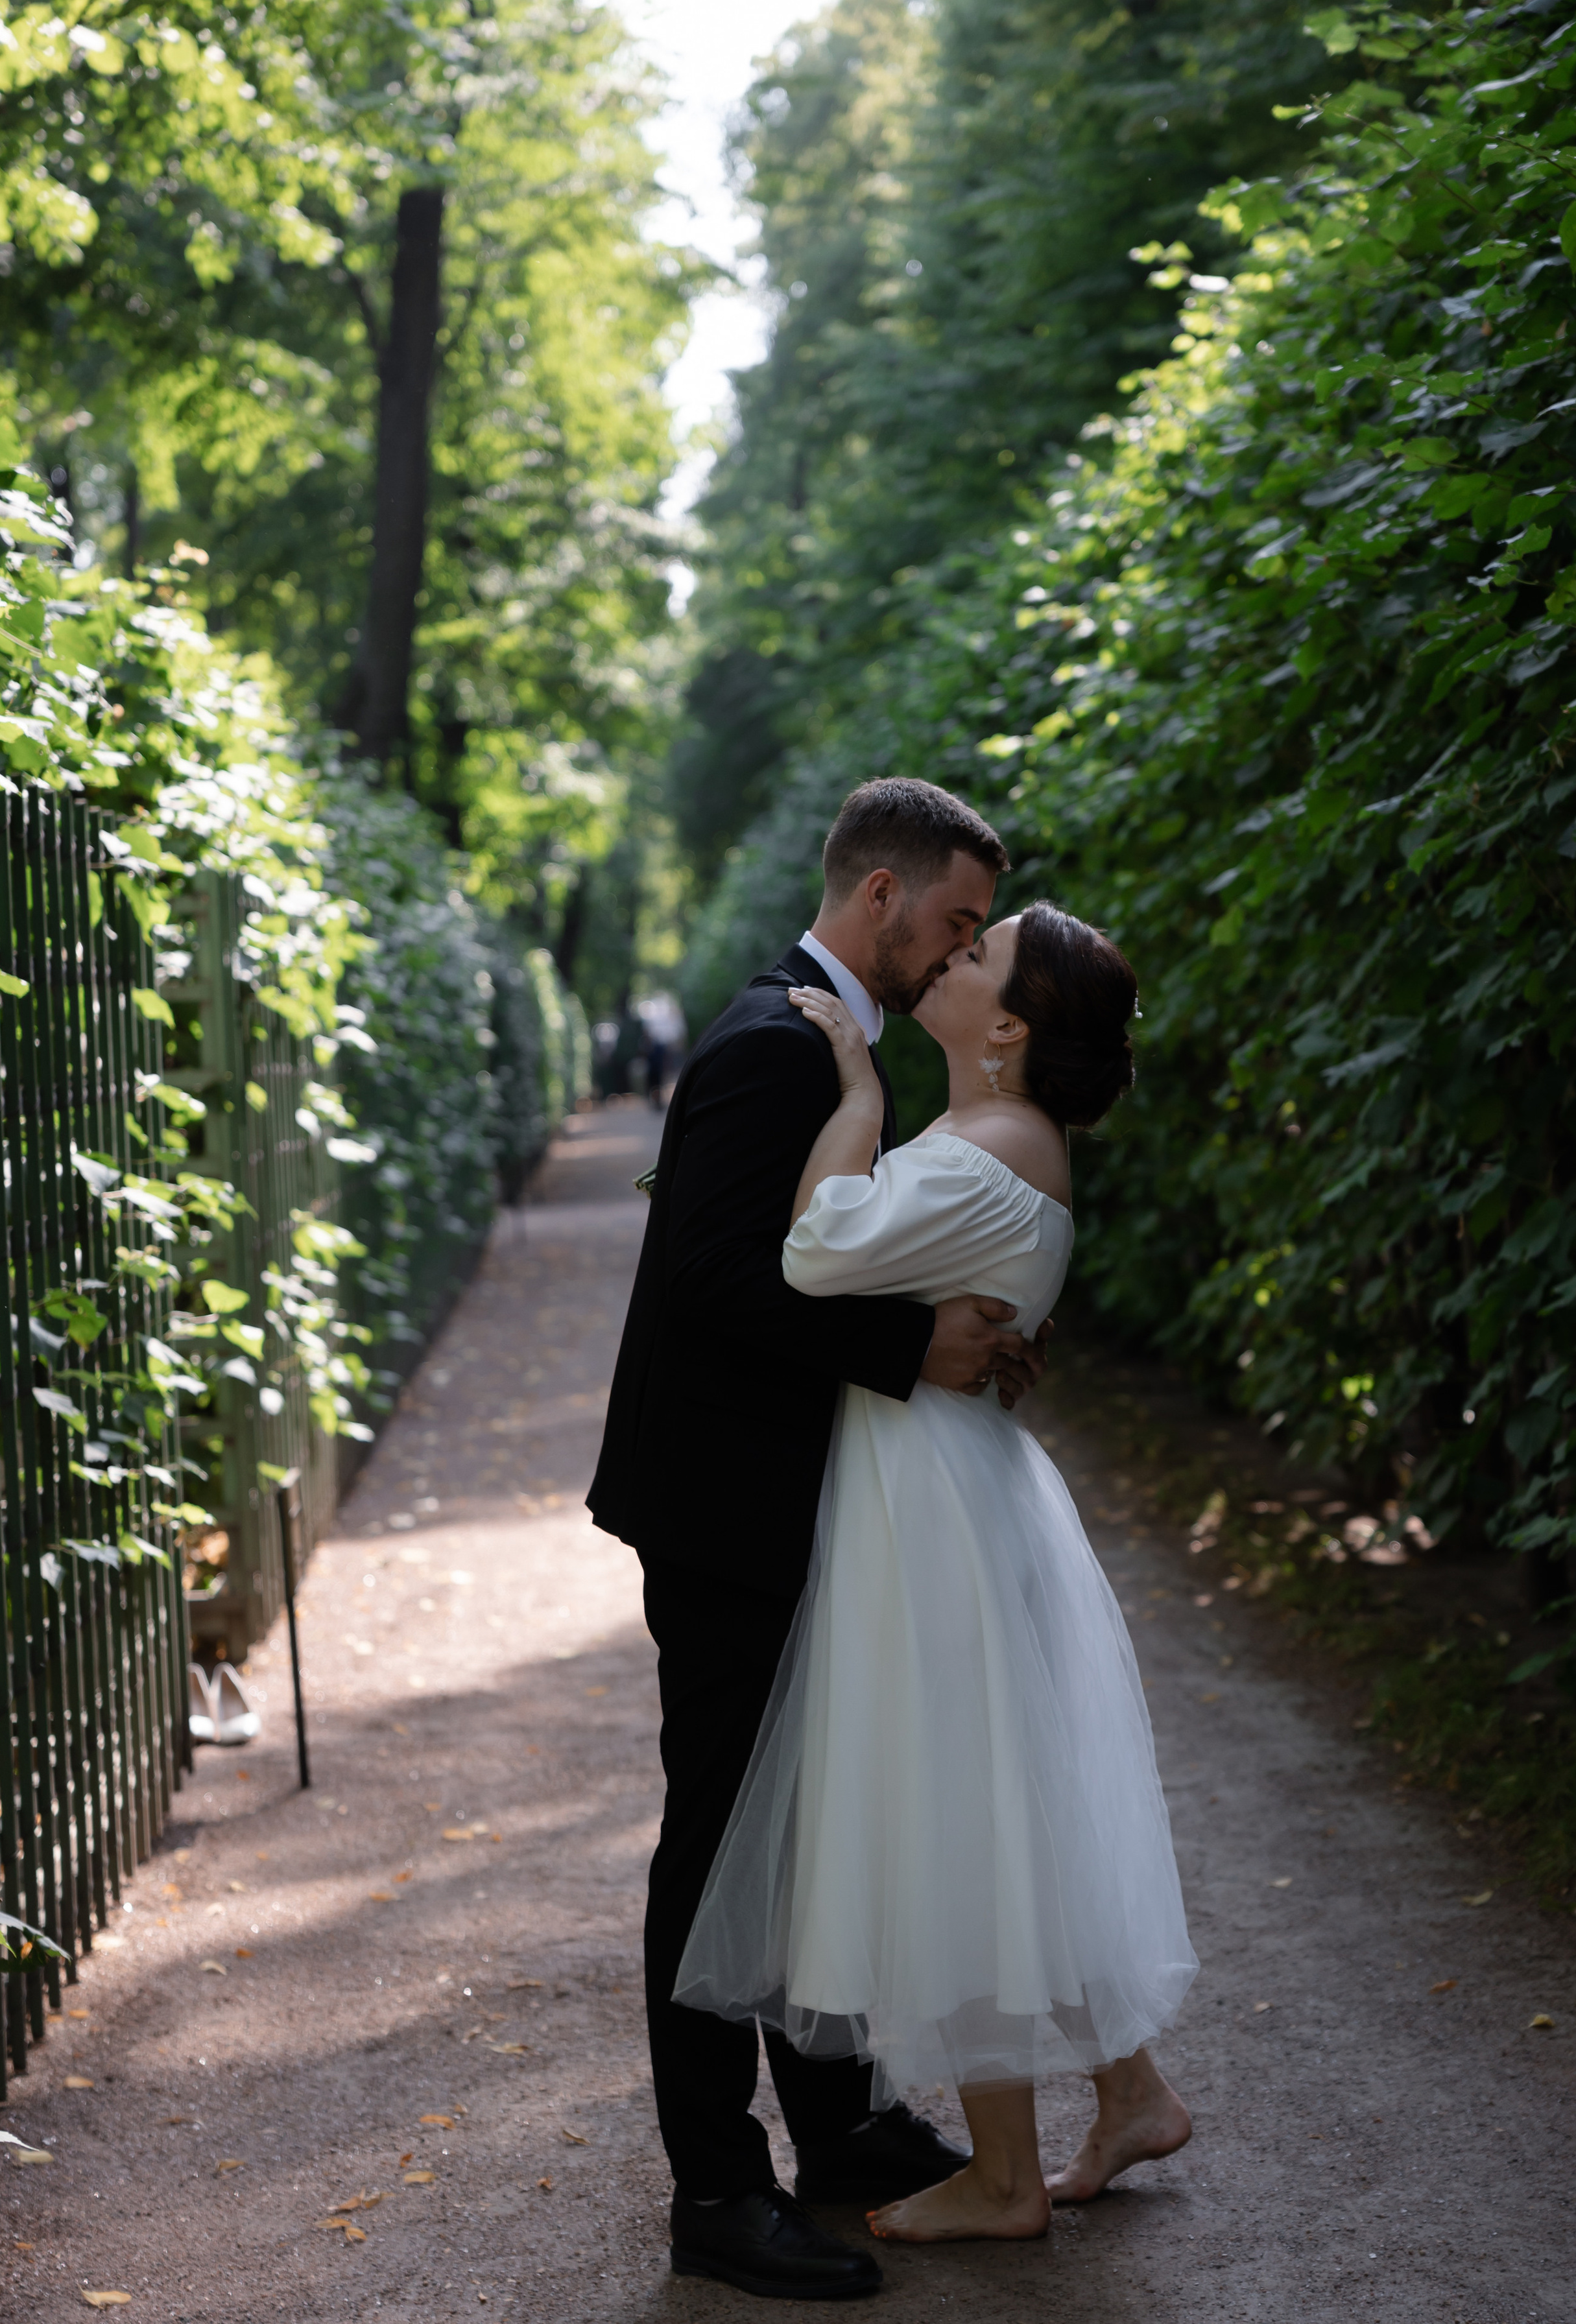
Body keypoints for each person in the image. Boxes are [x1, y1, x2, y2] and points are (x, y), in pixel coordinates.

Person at [675, 900, 1197, 2248]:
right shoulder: (1010, 1142)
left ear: (1009, 1024)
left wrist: (852, 1089)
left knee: (962, 1821)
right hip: (965, 1490)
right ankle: (1127, 2093)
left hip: (932, 1513)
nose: (952, 960)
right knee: (1011, 1813)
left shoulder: (978, 1149)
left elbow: (812, 1249)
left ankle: (1005, 2179)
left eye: (978, 956)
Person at [590, 778, 1051, 2299]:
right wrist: (913, 1347)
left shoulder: (816, 1035)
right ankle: (715, 2191)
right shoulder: (776, 1044)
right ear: (879, 900)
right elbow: (720, 1277)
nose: (962, 946)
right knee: (722, 1846)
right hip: (726, 1511)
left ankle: (841, 2130)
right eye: (958, 919)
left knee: (804, 1832)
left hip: (783, 1494)